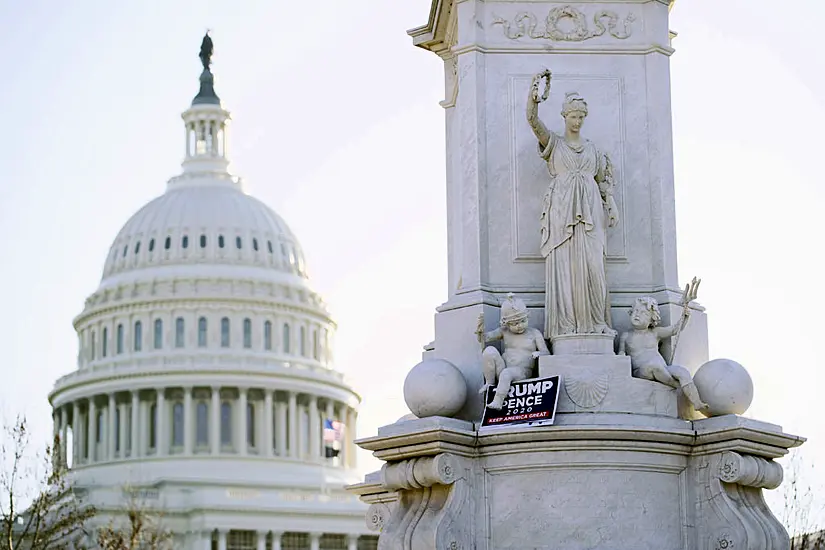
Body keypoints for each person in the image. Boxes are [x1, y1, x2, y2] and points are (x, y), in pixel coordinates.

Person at [526, 70, 619, 341]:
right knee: (565, 266)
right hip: (562, 208)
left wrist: (610, 204)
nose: (577, 121)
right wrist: (533, 97)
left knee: (594, 266)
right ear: (564, 116)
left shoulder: (592, 149)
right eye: (573, 116)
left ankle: (596, 321)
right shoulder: (554, 143)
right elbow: (532, 121)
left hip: (591, 208)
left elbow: (603, 182)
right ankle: (567, 326)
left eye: (581, 117)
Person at [618, 296, 709, 413]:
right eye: (635, 311)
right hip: (641, 371)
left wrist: (684, 317)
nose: (637, 315)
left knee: (682, 372)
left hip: (663, 369)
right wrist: (621, 355)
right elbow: (621, 354)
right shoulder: (626, 336)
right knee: (653, 366)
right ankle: (676, 386)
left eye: (644, 314)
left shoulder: (655, 333)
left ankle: (697, 403)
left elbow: (674, 330)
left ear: (652, 319)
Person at [476, 294, 550, 409]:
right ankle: (490, 383)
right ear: (507, 323)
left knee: (507, 374)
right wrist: (480, 331)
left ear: (527, 317)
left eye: (522, 321)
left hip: (522, 372)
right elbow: (486, 338)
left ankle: (498, 401)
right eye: (514, 324)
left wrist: (539, 353)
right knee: (489, 351)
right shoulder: (505, 331)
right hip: (504, 369)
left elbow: (547, 353)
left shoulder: (534, 333)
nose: (519, 326)